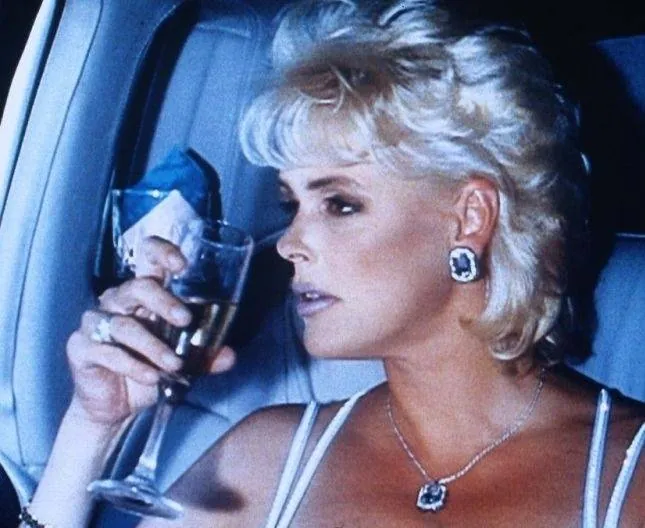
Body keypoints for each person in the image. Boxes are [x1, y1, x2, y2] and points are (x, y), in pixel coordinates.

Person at [21, 0, 645, 526]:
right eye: (291, 204)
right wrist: (91, 428)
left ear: (470, 218)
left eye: (340, 203)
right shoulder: (261, 463)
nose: (288, 244)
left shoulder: (628, 473)